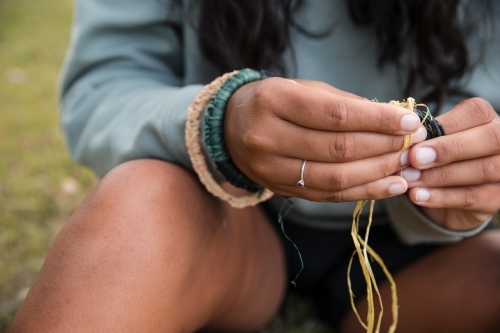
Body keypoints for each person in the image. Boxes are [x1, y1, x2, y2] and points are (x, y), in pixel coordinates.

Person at [7, 0, 500, 332]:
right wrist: (218, 120)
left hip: (444, 257)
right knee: (136, 204)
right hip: (229, 215)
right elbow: (108, 82)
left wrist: (476, 176)